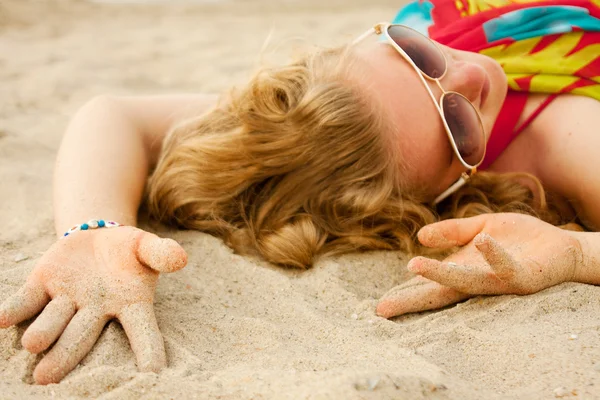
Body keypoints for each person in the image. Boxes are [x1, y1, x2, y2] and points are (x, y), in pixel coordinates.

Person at [1, 0, 599, 386]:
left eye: (412, 47)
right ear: (438, 195)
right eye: (459, 126)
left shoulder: (347, 101)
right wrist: (575, 255)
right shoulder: (567, 140)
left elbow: (114, 115)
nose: (470, 70)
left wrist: (92, 227)